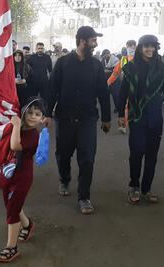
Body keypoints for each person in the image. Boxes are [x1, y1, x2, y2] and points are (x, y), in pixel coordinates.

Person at [44, 26, 111, 214]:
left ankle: (84, 197)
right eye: (93, 40)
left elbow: (103, 93)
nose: (96, 44)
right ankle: (64, 179)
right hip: (64, 118)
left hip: (88, 119)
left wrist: (106, 118)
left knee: (87, 158)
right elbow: (52, 90)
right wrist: (48, 113)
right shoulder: (63, 63)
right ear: (82, 41)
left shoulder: (96, 65)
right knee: (63, 154)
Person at [117, 35, 164, 204]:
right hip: (136, 117)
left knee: (152, 155)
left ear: (156, 48)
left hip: (155, 118)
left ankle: (147, 188)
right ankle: (134, 186)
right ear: (140, 48)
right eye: (146, 46)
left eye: (152, 46)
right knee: (137, 152)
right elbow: (123, 92)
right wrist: (120, 114)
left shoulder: (161, 68)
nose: (150, 49)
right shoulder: (130, 68)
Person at [0, 97, 45, 263]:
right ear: (23, 113)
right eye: (30, 112)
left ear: (42, 119)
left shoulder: (33, 135)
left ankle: (11, 247)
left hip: (22, 178)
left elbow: (15, 146)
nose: (32, 116)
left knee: (11, 210)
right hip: (7, 174)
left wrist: (16, 125)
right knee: (12, 207)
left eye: (37, 114)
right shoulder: (14, 128)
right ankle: (27, 225)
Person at [108, 40, 137, 133]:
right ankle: (124, 125)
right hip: (125, 86)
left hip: (138, 88)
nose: (130, 48)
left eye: (131, 46)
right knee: (125, 106)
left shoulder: (141, 58)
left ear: (135, 46)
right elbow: (116, 73)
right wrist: (107, 83)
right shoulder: (124, 59)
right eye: (128, 46)